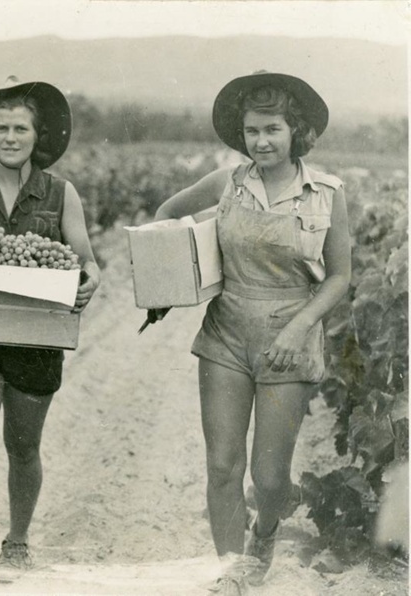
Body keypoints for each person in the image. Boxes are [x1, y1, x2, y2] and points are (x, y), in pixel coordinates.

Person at [154, 71, 351, 595]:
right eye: (251, 131)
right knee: (222, 464)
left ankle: (264, 533)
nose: (260, 142)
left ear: (296, 132)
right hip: (225, 333)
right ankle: (229, 570)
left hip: (290, 339)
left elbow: (340, 276)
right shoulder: (226, 183)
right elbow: (167, 215)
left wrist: (300, 326)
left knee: (268, 480)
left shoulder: (327, 194)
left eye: (272, 130)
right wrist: (172, 275)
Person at [0, 78, 101, 592]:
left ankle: (18, 541)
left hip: (35, 341)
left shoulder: (61, 193)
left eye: (20, 128)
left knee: (23, 448)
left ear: (36, 135)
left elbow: (88, 261)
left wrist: (89, 281)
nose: (10, 137)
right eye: (1, 128)